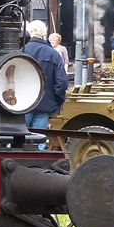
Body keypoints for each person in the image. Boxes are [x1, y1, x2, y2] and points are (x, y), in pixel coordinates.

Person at [22, 21, 69, 150]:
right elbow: (62, 82)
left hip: (21, 105)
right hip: (44, 104)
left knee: (16, 138)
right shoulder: (53, 54)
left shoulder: (21, 51)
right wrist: (57, 101)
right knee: (39, 142)